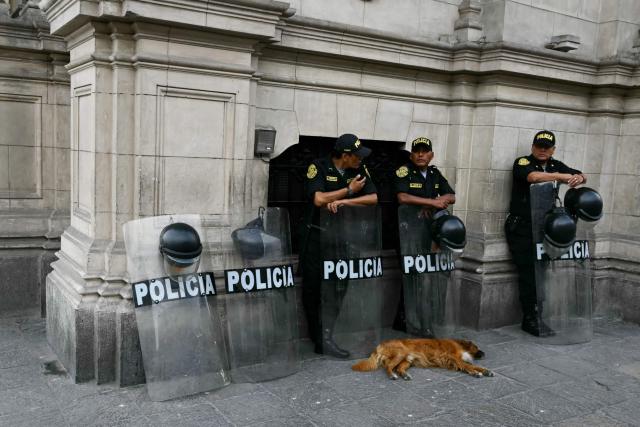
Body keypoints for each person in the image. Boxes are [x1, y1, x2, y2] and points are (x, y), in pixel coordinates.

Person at [300, 133, 378, 358]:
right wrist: (349, 190)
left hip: (343, 238)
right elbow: (318, 199)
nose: (360, 160)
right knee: (314, 289)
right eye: (357, 156)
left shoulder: (359, 170)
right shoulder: (319, 166)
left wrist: (345, 201)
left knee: (338, 287)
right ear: (345, 155)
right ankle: (319, 337)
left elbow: (373, 198)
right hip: (317, 239)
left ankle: (327, 335)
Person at [505, 130, 586, 337]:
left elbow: (580, 175)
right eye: (539, 146)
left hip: (543, 228)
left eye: (547, 147)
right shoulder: (523, 162)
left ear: (553, 150)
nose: (542, 150)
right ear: (533, 147)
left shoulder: (554, 164)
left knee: (540, 272)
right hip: (522, 228)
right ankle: (530, 318)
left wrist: (579, 178)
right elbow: (533, 177)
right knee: (528, 273)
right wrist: (562, 177)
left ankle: (538, 314)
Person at [392, 136, 456, 334]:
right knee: (413, 277)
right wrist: (431, 202)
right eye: (417, 151)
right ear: (411, 155)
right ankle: (413, 322)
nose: (420, 154)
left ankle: (413, 319)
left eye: (424, 151)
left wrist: (435, 202)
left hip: (429, 234)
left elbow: (451, 196)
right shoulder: (404, 171)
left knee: (422, 278)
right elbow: (402, 197)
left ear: (431, 155)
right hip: (407, 234)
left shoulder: (435, 173)